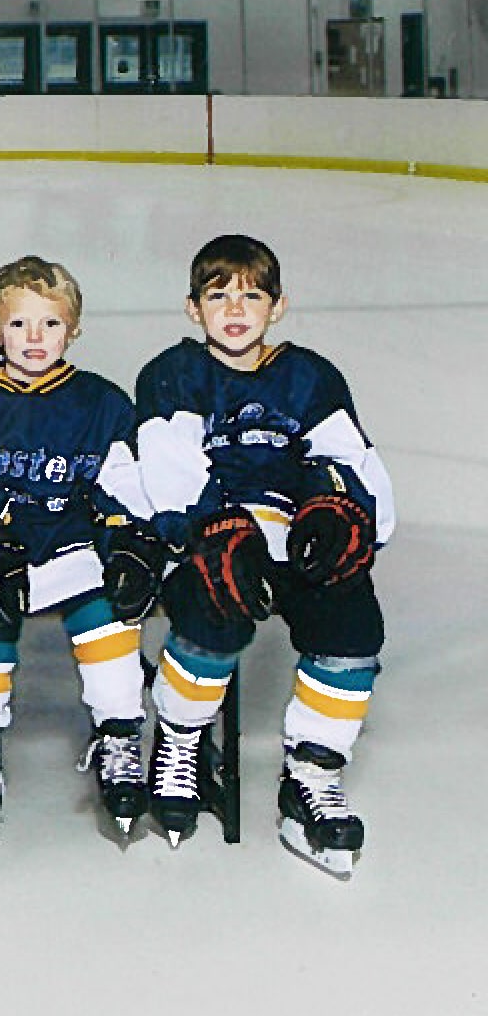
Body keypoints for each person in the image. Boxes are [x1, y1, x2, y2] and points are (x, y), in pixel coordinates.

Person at [133, 235, 395, 878]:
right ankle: (180, 741)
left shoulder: (310, 376)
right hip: (213, 538)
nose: (235, 309)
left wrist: (336, 512)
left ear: (278, 307)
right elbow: (168, 469)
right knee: (210, 612)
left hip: (292, 539)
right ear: (193, 309)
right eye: (218, 295)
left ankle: (311, 771)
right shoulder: (175, 374)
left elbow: (346, 461)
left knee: (352, 624)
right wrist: (216, 527)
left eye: (252, 295)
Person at [0, 256, 163, 841]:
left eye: (51, 325)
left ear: (74, 330)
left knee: (108, 610)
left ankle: (118, 732)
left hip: (70, 546)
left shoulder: (100, 403)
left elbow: (125, 484)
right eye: (18, 325)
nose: (34, 339)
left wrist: (130, 538)